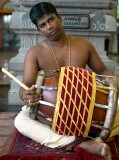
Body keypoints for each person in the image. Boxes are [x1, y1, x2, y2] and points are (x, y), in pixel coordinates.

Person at [14, 2, 117, 160]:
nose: (49, 26)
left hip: (85, 108)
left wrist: (112, 83)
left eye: (51, 19)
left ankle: (72, 139)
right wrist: (25, 95)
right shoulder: (35, 53)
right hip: (50, 115)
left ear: (59, 18)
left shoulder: (83, 45)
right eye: (43, 25)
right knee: (21, 121)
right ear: (39, 30)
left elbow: (103, 71)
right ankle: (82, 143)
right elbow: (26, 84)